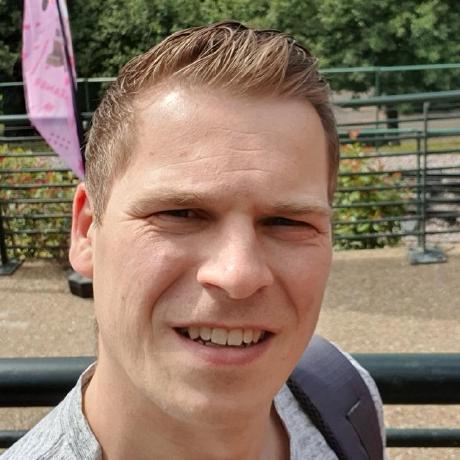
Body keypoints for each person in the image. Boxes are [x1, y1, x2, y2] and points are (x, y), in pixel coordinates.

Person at [3, 21, 386, 460]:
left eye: (287, 222)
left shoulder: (346, 395)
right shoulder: (340, 404)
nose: (238, 274)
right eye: (179, 214)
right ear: (87, 229)